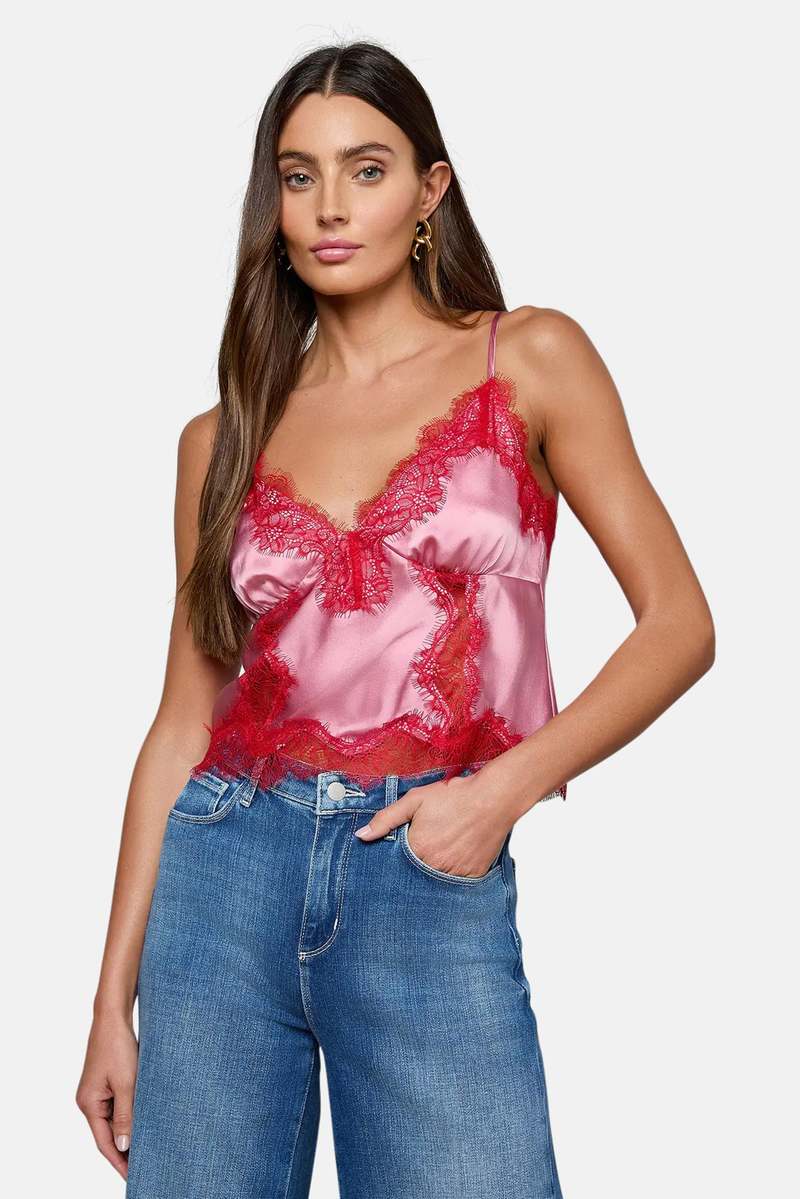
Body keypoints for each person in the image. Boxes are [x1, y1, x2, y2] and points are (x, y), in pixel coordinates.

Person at [75, 40, 715, 1199]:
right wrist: (109, 1002)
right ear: (273, 204)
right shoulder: (219, 439)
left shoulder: (528, 357)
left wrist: (495, 795)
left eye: (365, 169)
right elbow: (180, 724)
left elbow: (678, 623)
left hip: (421, 868)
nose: (328, 205)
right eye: (298, 175)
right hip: (223, 879)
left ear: (429, 190)